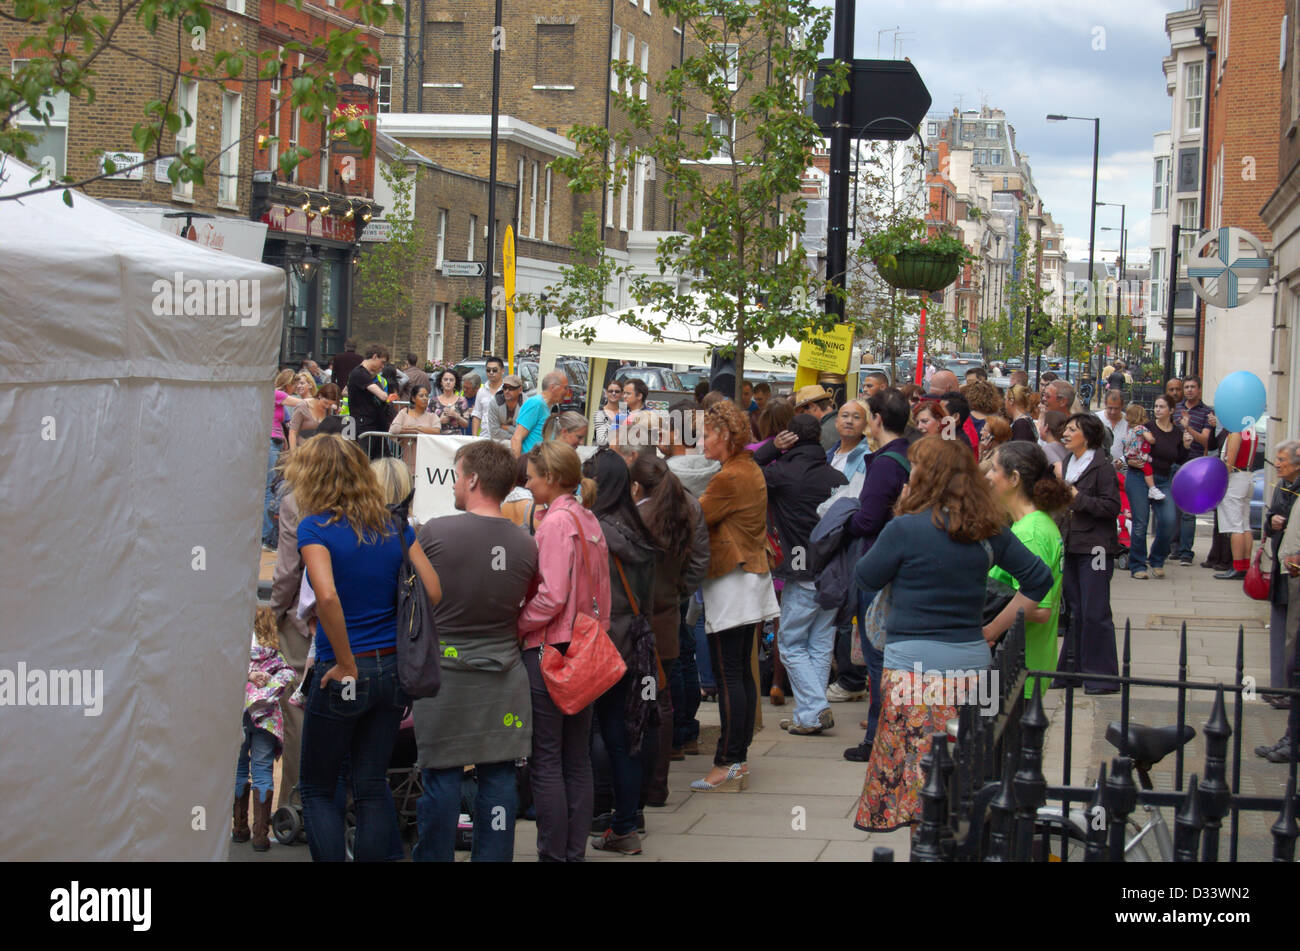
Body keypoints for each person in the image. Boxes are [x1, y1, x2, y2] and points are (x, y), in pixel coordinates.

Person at [852, 436, 1052, 831]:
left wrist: (899, 514)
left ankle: (922, 846)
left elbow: (865, 576)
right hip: (972, 666)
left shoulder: (904, 529)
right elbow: (1038, 579)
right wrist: (994, 628)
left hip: (911, 669)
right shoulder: (987, 529)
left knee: (916, 775)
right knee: (962, 774)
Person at [285, 435, 442, 861]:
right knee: (370, 783)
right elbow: (432, 589)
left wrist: (348, 662)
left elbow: (328, 596)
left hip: (344, 671)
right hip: (393, 671)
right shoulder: (395, 526)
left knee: (318, 788)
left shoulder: (315, 527)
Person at [412, 441, 538, 862]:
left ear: (473, 479)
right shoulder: (525, 543)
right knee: (500, 777)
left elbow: (412, 599)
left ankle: (434, 856)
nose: (453, 481)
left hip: (445, 675)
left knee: (442, 775)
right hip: (504, 673)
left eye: (456, 473)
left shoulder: (434, 533)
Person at [517, 441, 609, 861]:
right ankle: (572, 853)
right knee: (577, 758)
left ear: (551, 478)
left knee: (548, 759)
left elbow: (552, 596)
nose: (528, 482)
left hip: (551, 647)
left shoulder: (556, 522)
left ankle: (553, 854)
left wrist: (517, 624)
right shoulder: (587, 517)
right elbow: (601, 598)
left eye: (533, 476)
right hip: (584, 647)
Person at [695, 399, 779, 790]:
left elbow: (694, 518)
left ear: (725, 436)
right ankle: (737, 758)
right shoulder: (746, 467)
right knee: (739, 672)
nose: (703, 440)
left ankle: (728, 761)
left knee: (730, 673)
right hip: (748, 576)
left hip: (734, 579)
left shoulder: (729, 476)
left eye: (708, 433)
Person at [582, 449, 659, 854]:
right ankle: (627, 821)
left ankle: (606, 817)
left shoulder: (593, 530)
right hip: (637, 643)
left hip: (599, 644)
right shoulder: (637, 526)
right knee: (627, 736)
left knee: (598, 733)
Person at [630, 454, 709, 805]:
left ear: (637, 485)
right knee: (659, 701)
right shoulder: (688, 508)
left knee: (642, 703)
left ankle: (642, 786)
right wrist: (679, 592)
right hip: (667, 616)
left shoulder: (638, 517)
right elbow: (699, 560)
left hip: (642, 620)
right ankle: (656, 787)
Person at [762, 414, 847, 734]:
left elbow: (743, 473)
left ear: (789, 438)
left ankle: (814, 707)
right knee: (820, 643)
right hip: (831, 570)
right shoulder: (837, 477)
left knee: (791, 643)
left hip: (801, 571)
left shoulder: (780, 473)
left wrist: (771, 448)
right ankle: (808, 714)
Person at [840, 389, 912, 762]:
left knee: (877, 658)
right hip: (893, 565)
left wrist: (841, 518)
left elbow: (869, 519)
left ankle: (879, 739)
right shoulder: (903, 456)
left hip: (878, 565)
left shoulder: (885, 463)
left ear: (878, 419)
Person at [986, 442, 1070, 697]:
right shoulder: (1031, 524)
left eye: (993, 469)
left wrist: (989, 628)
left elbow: (1041, 609)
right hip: (1019, 666)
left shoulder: (1031, 533)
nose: (988, 476)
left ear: (1014, 479)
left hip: (1017, 670)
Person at [1059, 413, 1122, 694]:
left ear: (1087, 436)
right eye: (1067, 429)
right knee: (1075, 609)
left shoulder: (1102, 467)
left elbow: (1111, 507)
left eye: (1073, 429)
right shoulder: (1066, 463)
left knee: (1094, 610)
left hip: (1096, 547)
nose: (1066, 433)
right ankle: (1072, 670)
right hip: (1072, 544)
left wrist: (1079, 499)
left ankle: (1101, 676)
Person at [233, 606, 298, 851]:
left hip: (238, 717)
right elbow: (287, 676)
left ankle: (239, 829)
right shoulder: (274, 656)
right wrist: (266, 686)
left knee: (239, 769)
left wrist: (249, 675)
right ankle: (261, 836)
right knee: (262, 770)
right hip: (267, 720)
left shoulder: (237, 654)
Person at [1125, 396, 1190, 580]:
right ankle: (1137, 564)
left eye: (1162, 407)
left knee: (1169, 521)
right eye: (1156, 406)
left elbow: (1179, 459)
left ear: (1171, 410)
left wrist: (1186, 445)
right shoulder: (1148, 428)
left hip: (1162, 479)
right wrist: (1131, 459)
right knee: (1140, 523)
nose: (1158, 410)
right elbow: (1130, 447)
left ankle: (1157, 559)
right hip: (1139, 477)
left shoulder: (1177, 433)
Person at [1264, 442, 1300, 705]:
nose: (1277, 463)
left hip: (1294, 569)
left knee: (1292, 631)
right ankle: (1280, 686)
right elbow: (1270, 518)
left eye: (1281, 459)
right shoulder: (1282, 486)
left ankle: (1289, 691)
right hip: (1281, 567)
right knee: (1279, 627)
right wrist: (1271, 521)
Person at [1213, 417, 1259, 580]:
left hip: (1235, 480)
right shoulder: (1251, 431)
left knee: (1235, 526)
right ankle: (1245, 565)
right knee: (1245, 525)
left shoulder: (1236, 432)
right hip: (1247, 475)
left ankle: (1238, 566)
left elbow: (1229, 464)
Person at [347, 345, 399, 461]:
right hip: (365, 426)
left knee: (384, 460)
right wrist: (387, 396)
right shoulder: (359, 373)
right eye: (382, 362)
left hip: (375, 425)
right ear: (375, 356)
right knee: (365, 462)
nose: (383, 366)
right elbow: (382, 395)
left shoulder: (367, 375)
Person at [512, 371, 569, 456]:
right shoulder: (536, 403)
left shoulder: (547, 407)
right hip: (528, 465)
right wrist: (517, 466)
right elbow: (516, 438)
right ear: (553, 387)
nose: (567, 392)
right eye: (565, 388)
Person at [388, 383, 440, 472]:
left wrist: (415, 429)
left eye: (426, 396)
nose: (425, 398)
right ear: (413, 398)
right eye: (421, 396)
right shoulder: (404, 412)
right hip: (408, 459)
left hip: (427, 461)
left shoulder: (432, 416)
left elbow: (436, 430)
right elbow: (394, 429)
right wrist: (415, 430)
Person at [1119, 403, 1165, 500]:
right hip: (1139, 455)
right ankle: (1152, 488)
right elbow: (1150, 439)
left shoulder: (1130, 429)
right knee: (1148, 469)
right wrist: (1151, 439)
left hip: (1131, 455)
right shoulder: (1140, 428)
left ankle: (1152, 489)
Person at [288, 382, 340, 451]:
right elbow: (292, 432)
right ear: (320, 395)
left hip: (319, 453)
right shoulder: (303, 406)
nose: (327, 406)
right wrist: (293, 454)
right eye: (325, 402)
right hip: (302, 451)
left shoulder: (329, 410)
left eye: (330, 404)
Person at [828, 399, 871, 479]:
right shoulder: (827, 456)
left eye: (856, 417)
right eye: (845, 416)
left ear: (865, 425)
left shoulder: (868, 459)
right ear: (836, 422)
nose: (849, 421)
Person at [792, 383, 839, 451]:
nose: (801, 417)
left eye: (802, 412)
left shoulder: (821, 434)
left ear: (813, 407)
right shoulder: (841, 422)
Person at [469, 356, 505, 436]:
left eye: (495, 370)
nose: (491, 372)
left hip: (503, 438)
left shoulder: (508, 390)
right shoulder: (481, 391)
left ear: (502, 371)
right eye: (488, 370)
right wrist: (474, 437)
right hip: (485, 436)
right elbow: (477, 414)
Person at [485, 373, 526, 443]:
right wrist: (515, 436)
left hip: (521, 445)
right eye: (505, 388)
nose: (507, 391)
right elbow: (494, 432)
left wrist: (507, 428)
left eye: (511, 388)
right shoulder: (495, 402)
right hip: (499, 444)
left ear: (520, 390)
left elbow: (525, 433)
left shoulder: (526, 404)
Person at [430, 368, 471, 435]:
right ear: (441, 382)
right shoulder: (433, 401)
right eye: (445, 379)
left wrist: (456, 416)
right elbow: (427, 423)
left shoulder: (462, 400)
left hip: (456, 439)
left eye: (451, 380)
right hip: (437, 439)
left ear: (455, 383)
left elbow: (466, 424)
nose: (448, 382)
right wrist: (439, 421)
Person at [595, 379, 624, 447]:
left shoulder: (624, 410)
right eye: (610, 391)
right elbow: (601, 441)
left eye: (617, 391)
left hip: (623, 454)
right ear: (606, 393)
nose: (613, 393)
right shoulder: (600, 412)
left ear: (622, 394)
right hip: (606, 453)